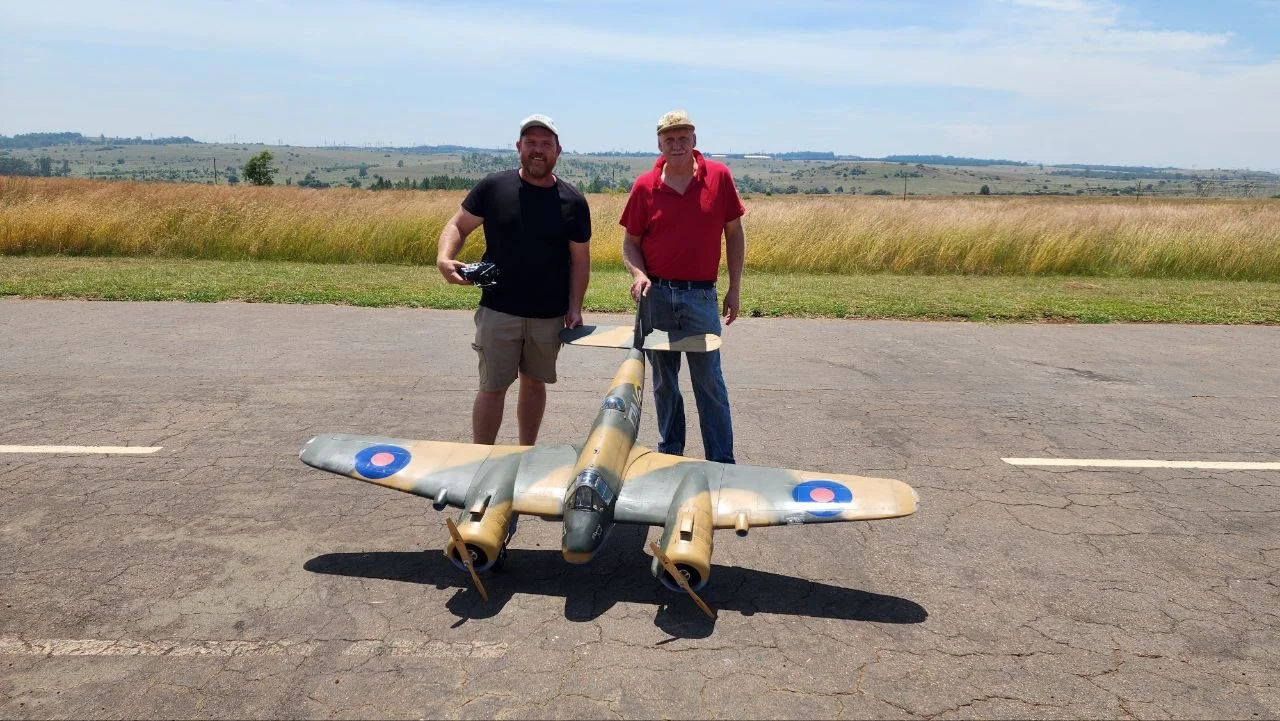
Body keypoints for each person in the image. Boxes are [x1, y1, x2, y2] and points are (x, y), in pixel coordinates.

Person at [437, 114, 591, 446]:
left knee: (534, 383)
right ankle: (481, 459)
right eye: (531, 143)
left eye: (546, 144)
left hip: (548, 314)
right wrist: (444, 258)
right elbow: (457, 225)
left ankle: (526, 454)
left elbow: (580, 259)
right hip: (498, 309)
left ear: (558, 150)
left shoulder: (573, 201)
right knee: (492, 387)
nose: (538, 150)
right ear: (518, 146)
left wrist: (575, 307)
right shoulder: (494, 187)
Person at [620, 110, 745, 464]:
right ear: (659, 144)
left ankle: (721, 463)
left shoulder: (719, 177)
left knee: (710, 383)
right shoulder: (644, 186)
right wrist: (639, 274)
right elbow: (630, 244)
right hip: (656, 297)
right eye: (669, 139)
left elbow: (734, 234)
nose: (677, 145)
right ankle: (670, 456)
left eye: (683, 138)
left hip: (701, 296)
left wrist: (734, 288)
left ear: (694, 140)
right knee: (664, 384)